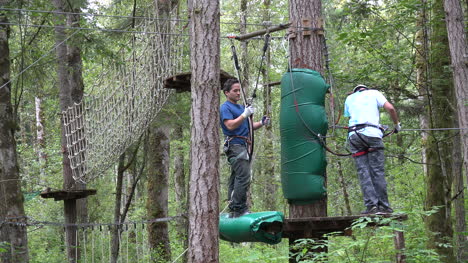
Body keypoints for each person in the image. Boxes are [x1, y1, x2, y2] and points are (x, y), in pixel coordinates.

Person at [344, 84, 401, 215]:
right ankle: (384, 206)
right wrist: (396, 125)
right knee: (377, 170)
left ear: (356, 91)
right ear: (366, 89)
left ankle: (371, 206)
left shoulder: (349, 99)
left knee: (363, 171)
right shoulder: (374, 93)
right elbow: (391, 108)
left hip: (354, 136)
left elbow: (352, 117)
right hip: (372, 135)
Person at [220, 79, 270, 218]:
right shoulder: (226, 107)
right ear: (226, 93)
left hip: (242, 145)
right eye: (235, 91)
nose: (238, 93)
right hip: (235, 146)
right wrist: (244, 115)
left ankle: (233, 206)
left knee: (237, 177)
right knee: (244, 176)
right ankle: (238, 208)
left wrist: (261, 122)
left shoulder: (241, 108)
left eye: (238, 90)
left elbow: (248, 126)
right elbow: (230, 125)